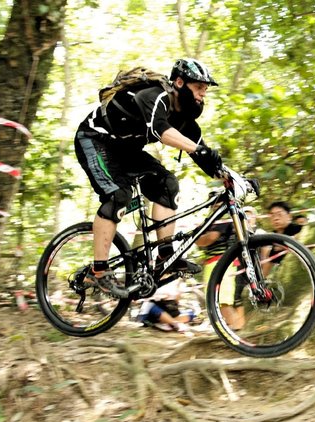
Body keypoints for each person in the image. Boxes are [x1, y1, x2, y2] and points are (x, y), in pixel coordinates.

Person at [74, 58, 225, 298]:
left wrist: (231, 178)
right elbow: (160, 130)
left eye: (205, 91)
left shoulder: (184, 119)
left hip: (126, 151)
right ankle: (98, 271)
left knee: (167, 185)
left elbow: (206, 156)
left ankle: (166, 257)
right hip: (95, 139)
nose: (202, 96)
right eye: (199, 88)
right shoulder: (155, 95)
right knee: (118, 195)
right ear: (179, 82)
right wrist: (197, 150)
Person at [263, 201, 302, 276]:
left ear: (289, 216)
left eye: (279, 214)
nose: (276, 218)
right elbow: (267, 268)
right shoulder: (272, 238)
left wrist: (287, 244)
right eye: (272, 216)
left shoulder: (298, 229)